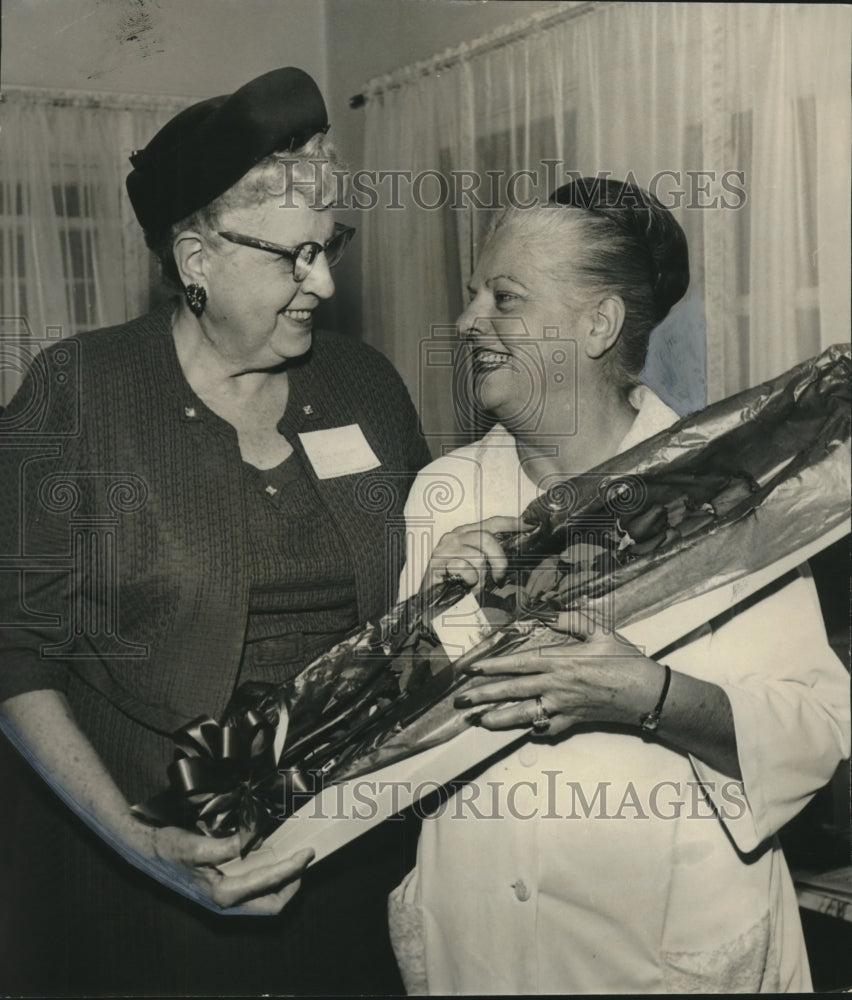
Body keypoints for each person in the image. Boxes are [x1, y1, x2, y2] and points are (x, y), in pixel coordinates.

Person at [0, 67, 431, 996]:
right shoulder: (80, 392)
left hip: (348, 857)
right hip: (133, 865)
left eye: (330, 245)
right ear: (195, 258)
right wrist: (142, 843)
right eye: (291, 257)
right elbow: (17, 652)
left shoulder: (365, 386)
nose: (323, 280)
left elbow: (420, 603)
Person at [389, 178, 850, 993]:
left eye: (504, 297)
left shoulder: (729, 493)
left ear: (597, 325)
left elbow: (816, 731)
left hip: (661, 942)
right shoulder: (441, 491)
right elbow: (391, 736)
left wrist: (651, 696)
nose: (466, 323)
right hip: (479, 936)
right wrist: (426, 627)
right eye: (471, 296)